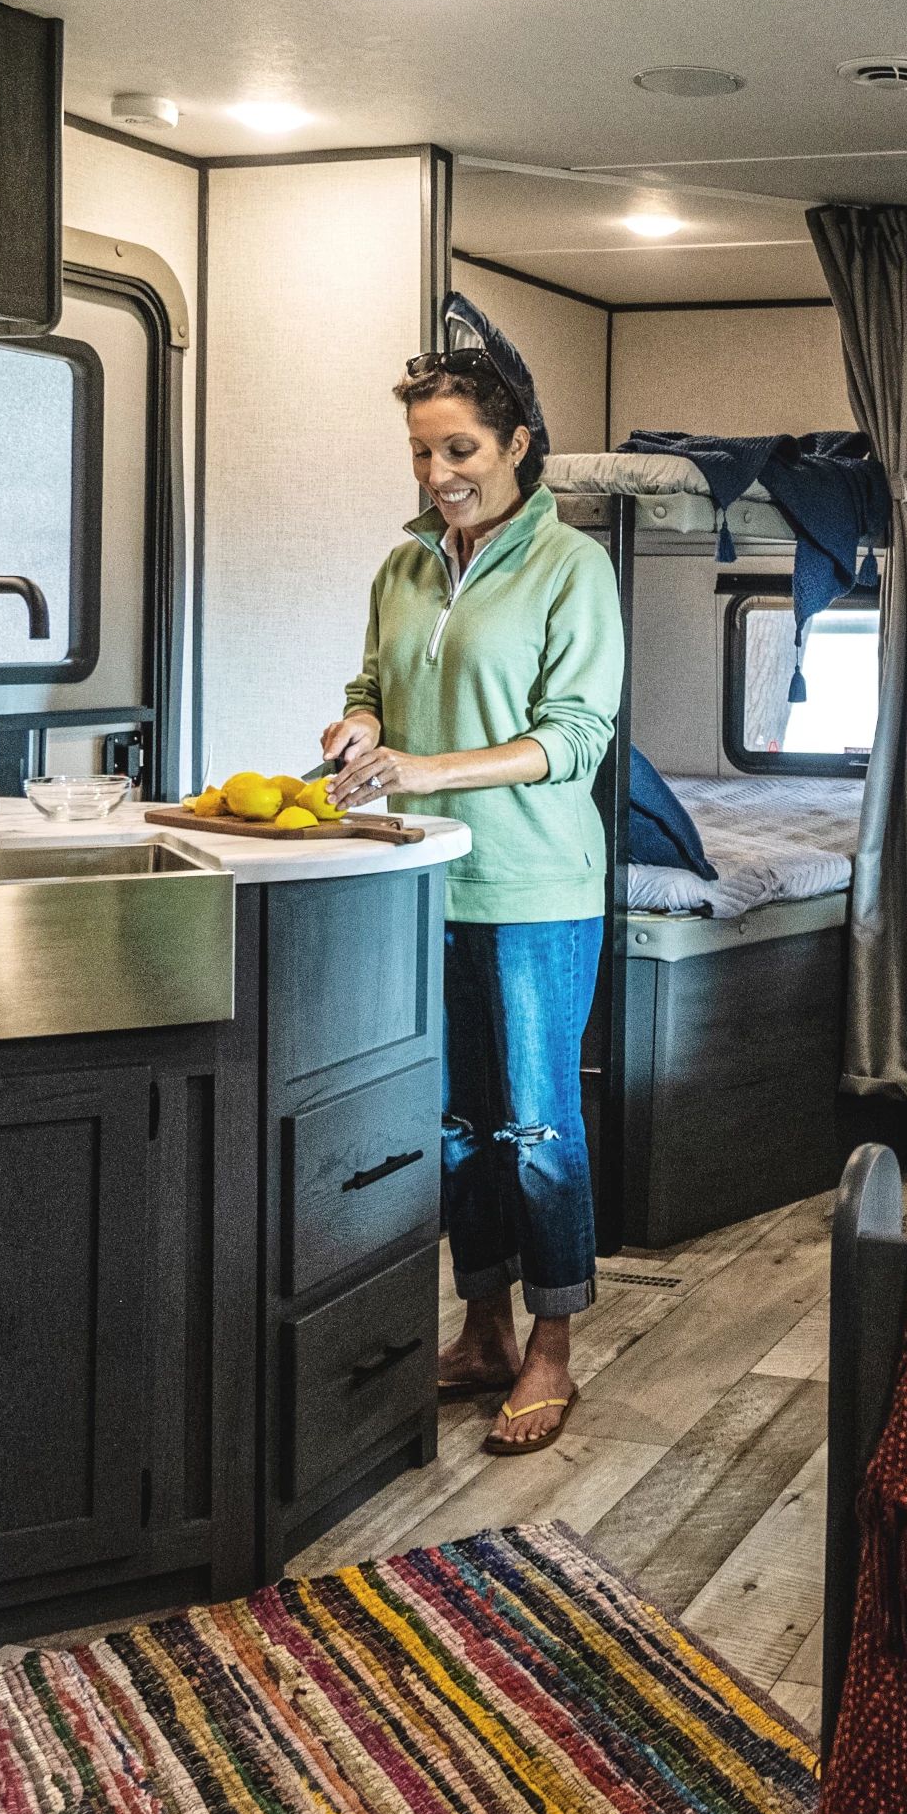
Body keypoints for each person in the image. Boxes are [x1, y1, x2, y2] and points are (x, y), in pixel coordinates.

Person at [323, 347, 626, 1452]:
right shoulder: (400, 568)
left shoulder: (569, 568)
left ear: (515, 446)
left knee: (534, 1124)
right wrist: (357, 729)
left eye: (459, 449)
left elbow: (574, 739)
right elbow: (372, 685)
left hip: (536, 884)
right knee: (450, 1122)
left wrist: (425, 766)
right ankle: (483, 1323)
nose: (439, 471)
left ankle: (551, 1346)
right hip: (418, 877)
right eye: (421, 451)